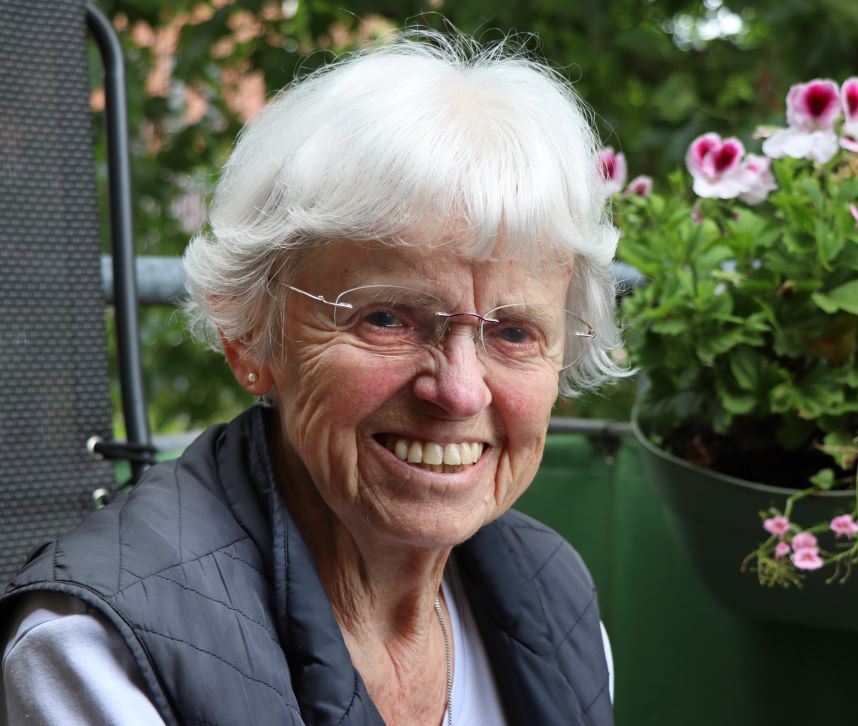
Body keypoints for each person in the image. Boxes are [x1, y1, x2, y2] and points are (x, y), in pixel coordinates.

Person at [1, 28, 625, 725]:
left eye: (513, 333)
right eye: (387, 318)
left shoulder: (556, 599)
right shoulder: (98, 649)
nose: (458, 391)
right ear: (248, 336)